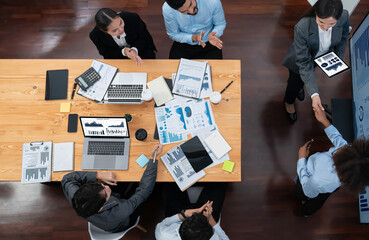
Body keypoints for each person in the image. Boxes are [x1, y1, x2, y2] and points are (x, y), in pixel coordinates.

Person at [61, 144, 163, 233]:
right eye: (106, 193)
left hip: (109, 209)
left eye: (100, 185)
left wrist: (99, 175)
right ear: (101, 207)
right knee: (153, 187)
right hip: (124, 220)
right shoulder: (120, 212)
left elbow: (67, 178)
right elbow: (144, 190)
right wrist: (153, 158)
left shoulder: (76, 196)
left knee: (118, 177)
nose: (106, 187)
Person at [282, 0, 349, 123]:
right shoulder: (302, 27)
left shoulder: (344, 16)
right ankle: (289, 101)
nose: (325, 28)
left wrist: (337, 57)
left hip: (320, 58)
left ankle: (301, 87)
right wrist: (314, 94)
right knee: (294, 83)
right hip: (299, 61)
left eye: (331, 24)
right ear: (316, 13)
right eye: (321, 22)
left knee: (304, 79)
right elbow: (304, 63)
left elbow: (344, 36)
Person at [295, 107, 369, 216]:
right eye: (348, 147)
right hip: (324, 183)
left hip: (309, 183)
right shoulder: (350, 157)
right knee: (322, 193)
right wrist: (324, 121)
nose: (342, 146)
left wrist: (302, 159)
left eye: (340, 151)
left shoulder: (319, 180)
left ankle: (307, 210)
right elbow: (338, 140)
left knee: (305, 194)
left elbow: (307, 188)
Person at [155, 182, 229, 239]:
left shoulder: (164, 235)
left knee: (169, 182)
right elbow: (225, 238)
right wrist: (210, 219)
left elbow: (162, 225)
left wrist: (185, 214)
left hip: (180, 213)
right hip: (208, 218)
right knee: (219, 182)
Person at [89, 8, 157, 65]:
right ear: (105, 31)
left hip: (140, 48)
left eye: (121, 23)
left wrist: (134, 49)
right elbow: (106, 52)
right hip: (117, 56)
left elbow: (144, 37)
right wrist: (124, 52)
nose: (121, 30)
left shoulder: (133, 18)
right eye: (115, 30)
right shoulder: (95, 35)